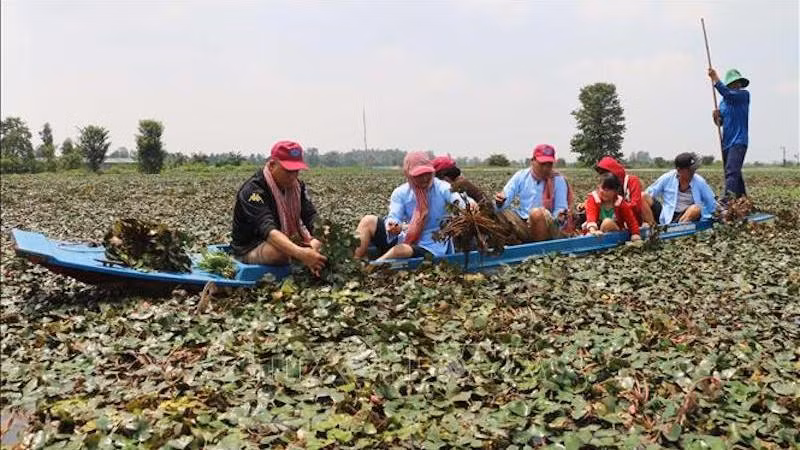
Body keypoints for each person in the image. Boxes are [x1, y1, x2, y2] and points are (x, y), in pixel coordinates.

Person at [231, 140, 327, 275]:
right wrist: (300, 253)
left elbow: (310, 216)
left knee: (323, 241)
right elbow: (268, 231)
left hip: (285, 238)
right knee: (281, 252)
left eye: (296, 171)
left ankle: (302, 254)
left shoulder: (298, 187)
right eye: (288, 171)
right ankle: (300, 255)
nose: (293, 177)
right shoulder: (253, 191)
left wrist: (325, 233)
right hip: (252, 247)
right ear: (272, 165)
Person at [354, 151, 472, 260]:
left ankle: (371, 270)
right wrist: (393, 225)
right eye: (419, 175)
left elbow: (458, 199)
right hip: (407, 237)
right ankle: (354, 262)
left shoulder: (442, 188)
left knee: (399, 251)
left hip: (433, 244)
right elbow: (394, 216)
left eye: (427, 173)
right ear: (408, 175)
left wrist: (469, 205)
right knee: (368, 221)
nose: (425, 178)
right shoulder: (401, 193)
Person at [494, 144, 574, 242]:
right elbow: (506, 197)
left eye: (549, 164)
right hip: (524, 221)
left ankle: (539, 247)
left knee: (537, 214)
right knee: (499, 214)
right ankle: (514, 240)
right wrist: (500, 202)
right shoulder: (521, 176)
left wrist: (560, 217)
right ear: (533, 161)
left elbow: (560, 207)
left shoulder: (558, 180)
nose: (545, 168)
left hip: (549, 225)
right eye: (542, 164)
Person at [709, 67, 750, 200]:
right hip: (726, 143)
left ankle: (727, 201)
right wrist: (716, 118)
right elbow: (721, 123)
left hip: (739, 141)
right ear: (730, 84)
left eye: (738, 82)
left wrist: (715, 78)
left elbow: (726, 93)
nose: (737, 85)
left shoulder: (743, 95)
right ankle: (742, 200)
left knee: (731, 171)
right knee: (735, 173)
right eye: (734, 83)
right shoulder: (723, 103)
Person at [643, 153, 717, 224]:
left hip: (685, 215)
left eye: (694, 169)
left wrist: (719, 214)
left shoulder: (699, 181)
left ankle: (679, 229)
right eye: (689, 170)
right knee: (643, 196)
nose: (693, 172)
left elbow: (711, 202)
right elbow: (650, 192)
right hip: (667, 214)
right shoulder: (668, 177)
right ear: (679, 170)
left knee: (696, 208)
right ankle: (653, 228)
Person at [594, 156, 657, 227]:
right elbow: (598, 197)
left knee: (642, 197)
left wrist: (618, 207)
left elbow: (636, 204)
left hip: (641, 214)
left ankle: (652, 227)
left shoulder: (632, 181)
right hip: (625, 216)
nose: (604, 176)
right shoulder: (606, 185)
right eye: (601, 174)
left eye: (605, 173)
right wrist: (585, 204)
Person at [584, 173, 641, 241]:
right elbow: (591, 215)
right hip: (595, 231)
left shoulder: (620, 203)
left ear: (615, 191)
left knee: (607, 222)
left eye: (608, 190)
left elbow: (631, 220)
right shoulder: (593, 199)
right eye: (603, 188)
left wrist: (635, 233)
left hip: (615, 231)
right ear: (598, 187)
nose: (605, 192)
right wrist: (593, 230)